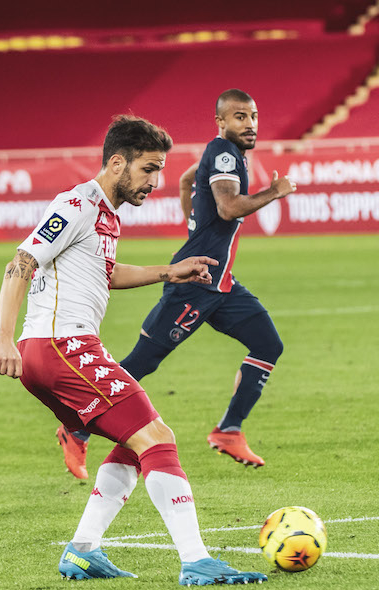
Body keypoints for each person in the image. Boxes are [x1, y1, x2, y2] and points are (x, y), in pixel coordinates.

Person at [0, 114, 266, 585]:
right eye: (148, 169)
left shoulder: (106, 215)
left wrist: (169, 271)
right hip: (62, 347)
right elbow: (22, 260)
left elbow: (107, 273)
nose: (155, 182)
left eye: (159, 171)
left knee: (134, 441)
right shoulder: (77, 204)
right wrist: (3, 337)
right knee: (158, 439)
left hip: (59, 351)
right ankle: (196, 561)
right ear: (117, 163)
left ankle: (83, 550)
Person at [55, 89, 296, 478]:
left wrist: (193, 230)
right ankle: (75, 427)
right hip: (194, 284)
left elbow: (187, 180)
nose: (250, 124)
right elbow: (228, 207)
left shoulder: (226, 154)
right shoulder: (223, 154)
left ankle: (229, 430)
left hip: (221, 283)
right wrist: (274, 192)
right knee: (141, 362)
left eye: (253, 116)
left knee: (269, 344)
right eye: (239, 117)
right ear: (220, 121)